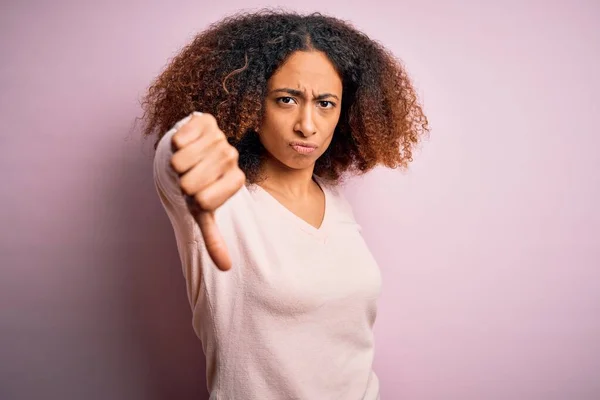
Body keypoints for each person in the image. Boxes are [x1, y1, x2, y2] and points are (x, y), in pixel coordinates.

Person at [141, 10, 428, 400]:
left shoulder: (335, 200)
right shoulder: (222, 204)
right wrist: (187, 139)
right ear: (251, 106)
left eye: (326, 103)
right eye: (287, 99)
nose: (307, 125)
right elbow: (176, 165)